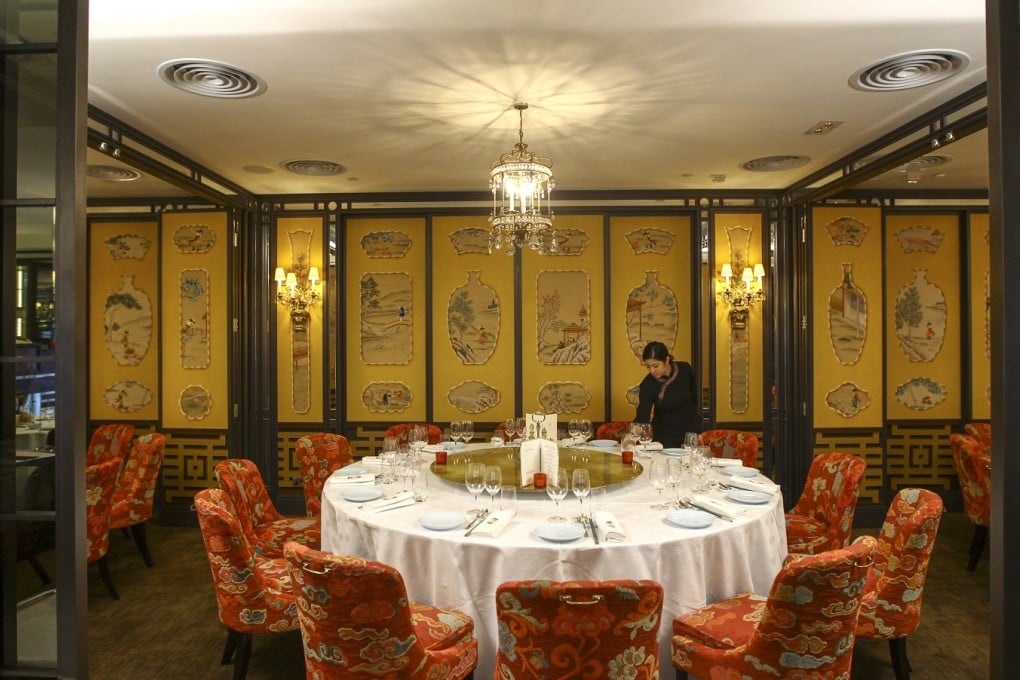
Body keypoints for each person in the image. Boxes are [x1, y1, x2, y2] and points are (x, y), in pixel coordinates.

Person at [634, 341, 700, 448]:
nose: (652, 371)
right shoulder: (648, 384)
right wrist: (635, 429)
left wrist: (697, 427)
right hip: (663, 437)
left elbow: (694, 398)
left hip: (689, 433)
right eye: (648, 367)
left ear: (667, 359)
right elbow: (643, 414)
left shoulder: (685, 369)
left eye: (656, 366)